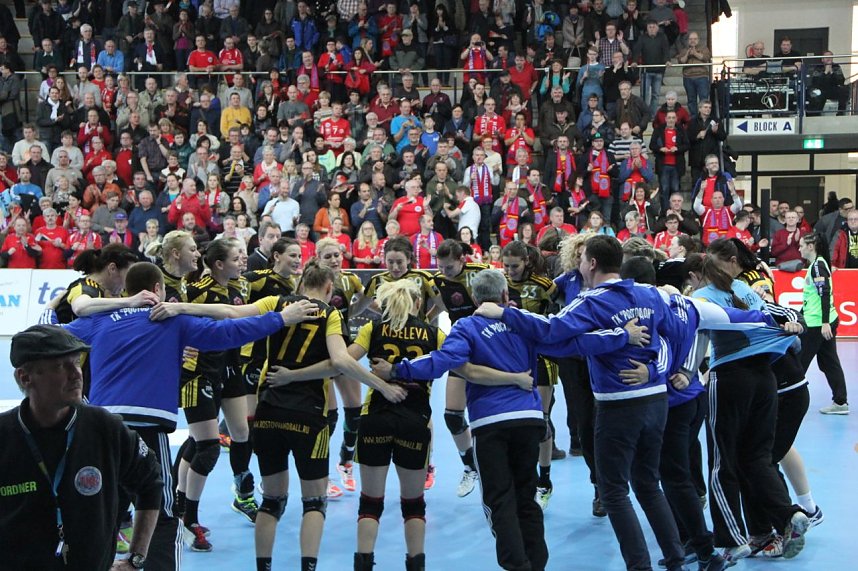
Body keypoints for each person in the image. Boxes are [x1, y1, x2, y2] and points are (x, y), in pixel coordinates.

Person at [45, 261, 316, 571]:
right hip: (146, 428)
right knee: (161, 511)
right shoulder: (171, 321)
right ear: (158, 289)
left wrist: (52, 306)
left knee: (101, 509)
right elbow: (230, 332)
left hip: (101, 427)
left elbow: (49, 334)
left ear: (127, 290)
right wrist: (281, 318)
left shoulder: (101, 321)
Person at [475, 235, 691, 571]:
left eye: (582, 260)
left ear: (591, 263)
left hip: (618, 405)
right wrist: (654, 370)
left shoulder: (592, 301)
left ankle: (641, 567)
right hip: (656, 402)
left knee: (614, 491)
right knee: (648, 483)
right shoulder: (650, 293)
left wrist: (506, 315)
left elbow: (550, 329)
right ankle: (676, 560)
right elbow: (675, 336)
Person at [250, 260, 406, 571]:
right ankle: (308, 566)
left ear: (299, 285)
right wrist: (381, 386)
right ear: (329, 288)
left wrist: (177, 309)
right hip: (308, 415)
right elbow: (340, 362)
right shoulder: (329, 313)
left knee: (272, 500)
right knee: (314, 501)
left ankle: (262, 566)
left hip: (266, 410)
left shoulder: (276, 304)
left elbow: (230, 315)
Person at [1, 325, 162, 571]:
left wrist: (136, 558)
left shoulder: (106, 428)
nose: (76, 374)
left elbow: (151, 483)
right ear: (25, 377)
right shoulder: (4, 436)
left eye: (76, 362)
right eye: (60, 366)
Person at [693, 239, 810, 562]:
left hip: (730, 377)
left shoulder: (701, 297)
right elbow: (780, 313)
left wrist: (685, 373)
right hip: (765, 378)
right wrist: (791, 323)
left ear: (697, 273)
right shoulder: (746, 290)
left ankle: (731, 538)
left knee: (721, 464)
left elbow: (699, 338)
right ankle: (787, 515)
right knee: (756, 457)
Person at [799, 233, 849, 414]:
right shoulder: (816, 265)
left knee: (798, 363)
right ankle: (841, 402)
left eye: (802, 245)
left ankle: (788, 401)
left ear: (811, 246)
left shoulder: (818, 266)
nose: (799, 248)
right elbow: (810, 297)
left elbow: (824, 294)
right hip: (818, 321)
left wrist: (825, 323)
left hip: (817, 325)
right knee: (828, 362)